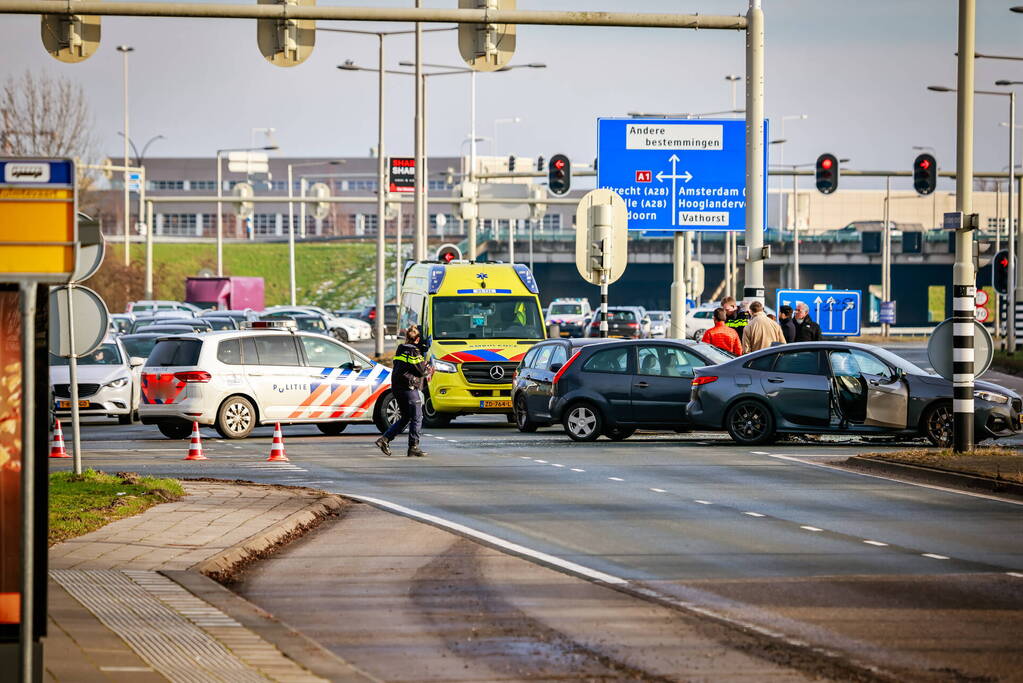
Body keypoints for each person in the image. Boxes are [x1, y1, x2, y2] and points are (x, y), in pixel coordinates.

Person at [375, 325, 432, 457]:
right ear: (417, 339)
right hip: (409, 388)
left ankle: (385, 439)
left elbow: (407, 366)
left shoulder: (401, 349)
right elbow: (421, 371)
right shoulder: (414, 352)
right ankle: (413, 447)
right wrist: (428, 366)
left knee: (406, 417)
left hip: (397, 387)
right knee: (417, 417)